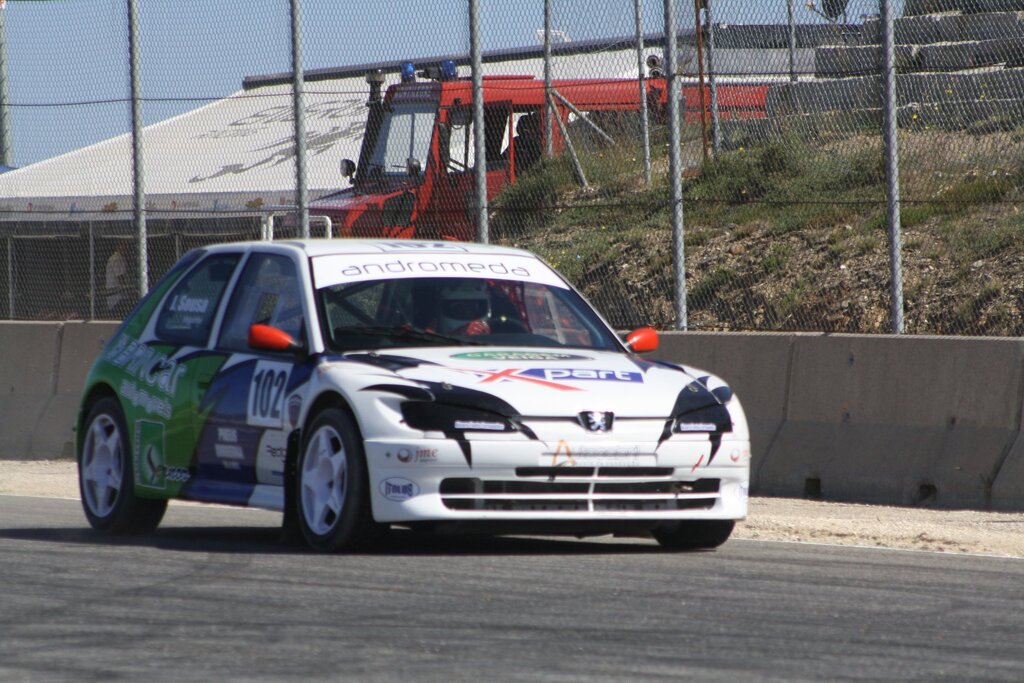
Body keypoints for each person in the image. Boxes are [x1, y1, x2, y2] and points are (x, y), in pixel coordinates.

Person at [104, 240, 132, 317]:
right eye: (123, 245)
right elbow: (120, 276)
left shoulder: (119, 258)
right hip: (117, 293)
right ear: (118, 246)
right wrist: (127, 290)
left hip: (116, 292)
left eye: (127, 246)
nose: (126, 248)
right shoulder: (117, 258)